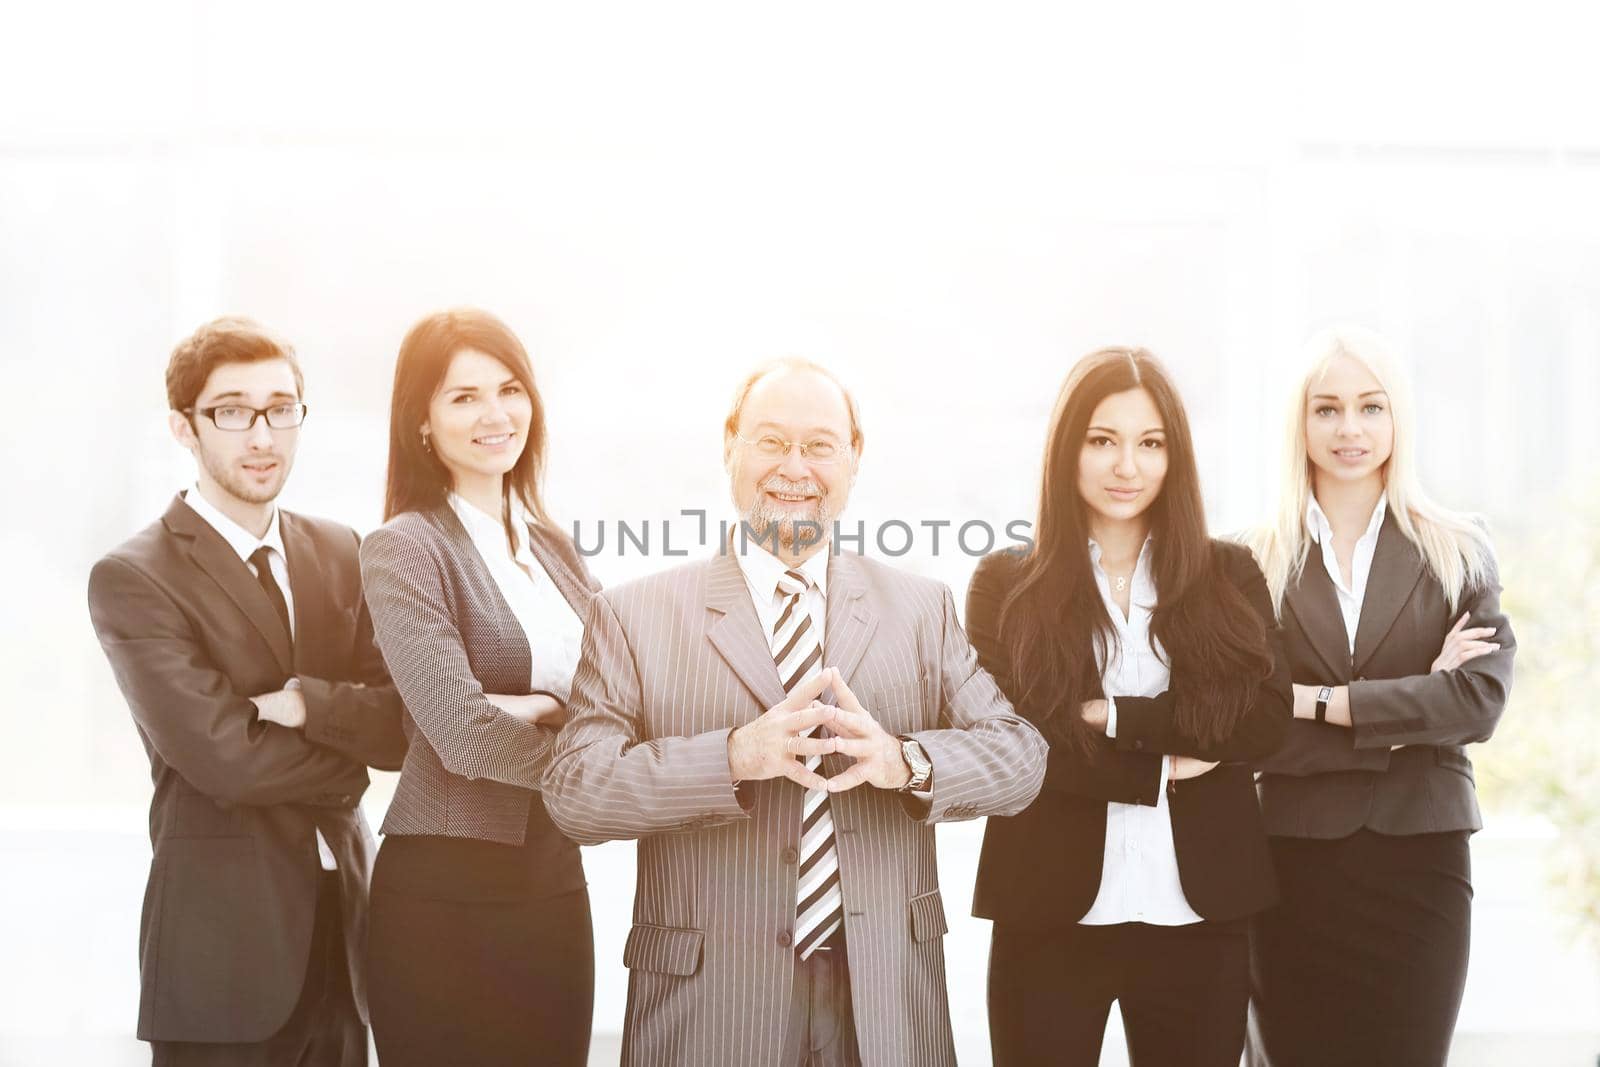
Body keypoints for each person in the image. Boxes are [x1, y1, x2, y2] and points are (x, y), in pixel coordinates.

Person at [539, 357, 1047, 1067]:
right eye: (772, 441)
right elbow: (575, 791)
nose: (794, 468)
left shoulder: (920, 607)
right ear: (730, 446)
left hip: (885, 1002)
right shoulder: (633, 614)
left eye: (818, 445)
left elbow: (1020, 756)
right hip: (711, 1006)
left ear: (854, 456)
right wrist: (733, 756)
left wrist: (905, 760)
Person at [86, 317, 407, 1066]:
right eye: (232, 411)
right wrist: (346, 759)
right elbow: (225, 759)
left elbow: (399, 726)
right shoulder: (137, 576)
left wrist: (305, 708)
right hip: (221, 957)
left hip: (345, 944)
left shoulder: (338, 548)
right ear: (184, 426)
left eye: (281, 407)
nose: (262, 435)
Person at [966, 347, 1292, 1066]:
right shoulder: (1005, 583)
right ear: (1067, 448)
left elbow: (1265, 721)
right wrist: (1174, 763)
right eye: (1103, 440)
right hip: (1048, 916)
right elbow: (1023, 746)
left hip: (1200, 917)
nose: (1127, 466)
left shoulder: (1228, 573)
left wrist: (1118, 719)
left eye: (1150, 444)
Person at [1242, 326, 1516, 1067]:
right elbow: (1251, 722)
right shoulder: (1251, 560)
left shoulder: (1458, 546)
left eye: (1371, 406)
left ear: (1399, 418)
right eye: (1327, 409)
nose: (1350, 428)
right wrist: (1418, 699)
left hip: (1420, 863)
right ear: (1299, 423)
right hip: (1289, 859)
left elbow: (1478, 702)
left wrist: (1323, 701)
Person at [356, 308, 599, 1067]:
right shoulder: (404, 548)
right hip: (442, 894)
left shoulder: (555, 547)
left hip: (555, 882)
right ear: (421, 421)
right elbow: (460, 732)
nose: (494, 414)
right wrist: (590, 762)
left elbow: (620, 703)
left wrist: (539, 711)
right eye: (462, 397)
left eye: (508, 389)